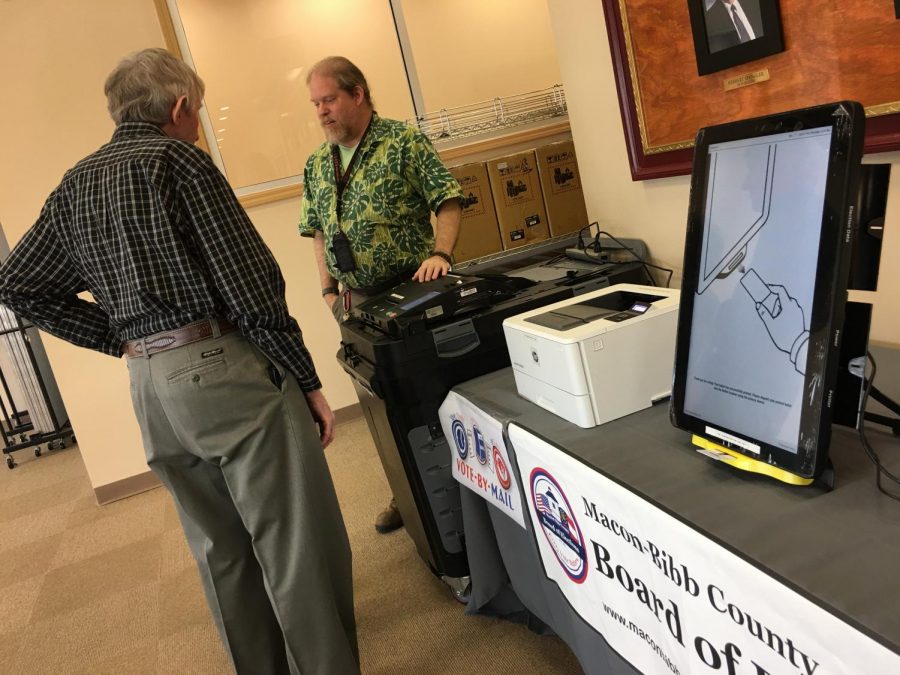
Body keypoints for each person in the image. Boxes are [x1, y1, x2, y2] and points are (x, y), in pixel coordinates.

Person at [0, 48, 358, 675]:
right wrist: (305, 378)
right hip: (227, 374)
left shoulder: (74, 183)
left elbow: (20, 284)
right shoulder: (180, 162)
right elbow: (249, 285)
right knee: (295, 541)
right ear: (180, 106)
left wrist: (121, 337)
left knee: (218, 548)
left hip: (150, 386)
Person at [298, 56, 463, 534]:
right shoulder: (317, 163)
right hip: (355, 303)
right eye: (315, 103)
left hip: (410, 295)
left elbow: (447, 199)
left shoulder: (403, 142)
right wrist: (329, 291)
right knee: (382, 405)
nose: (322, 111)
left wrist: (442, 254)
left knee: (430, 397)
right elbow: (317, 232)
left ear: (358, 94)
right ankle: (408, 491)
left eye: (329, 99)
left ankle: (459, 492)